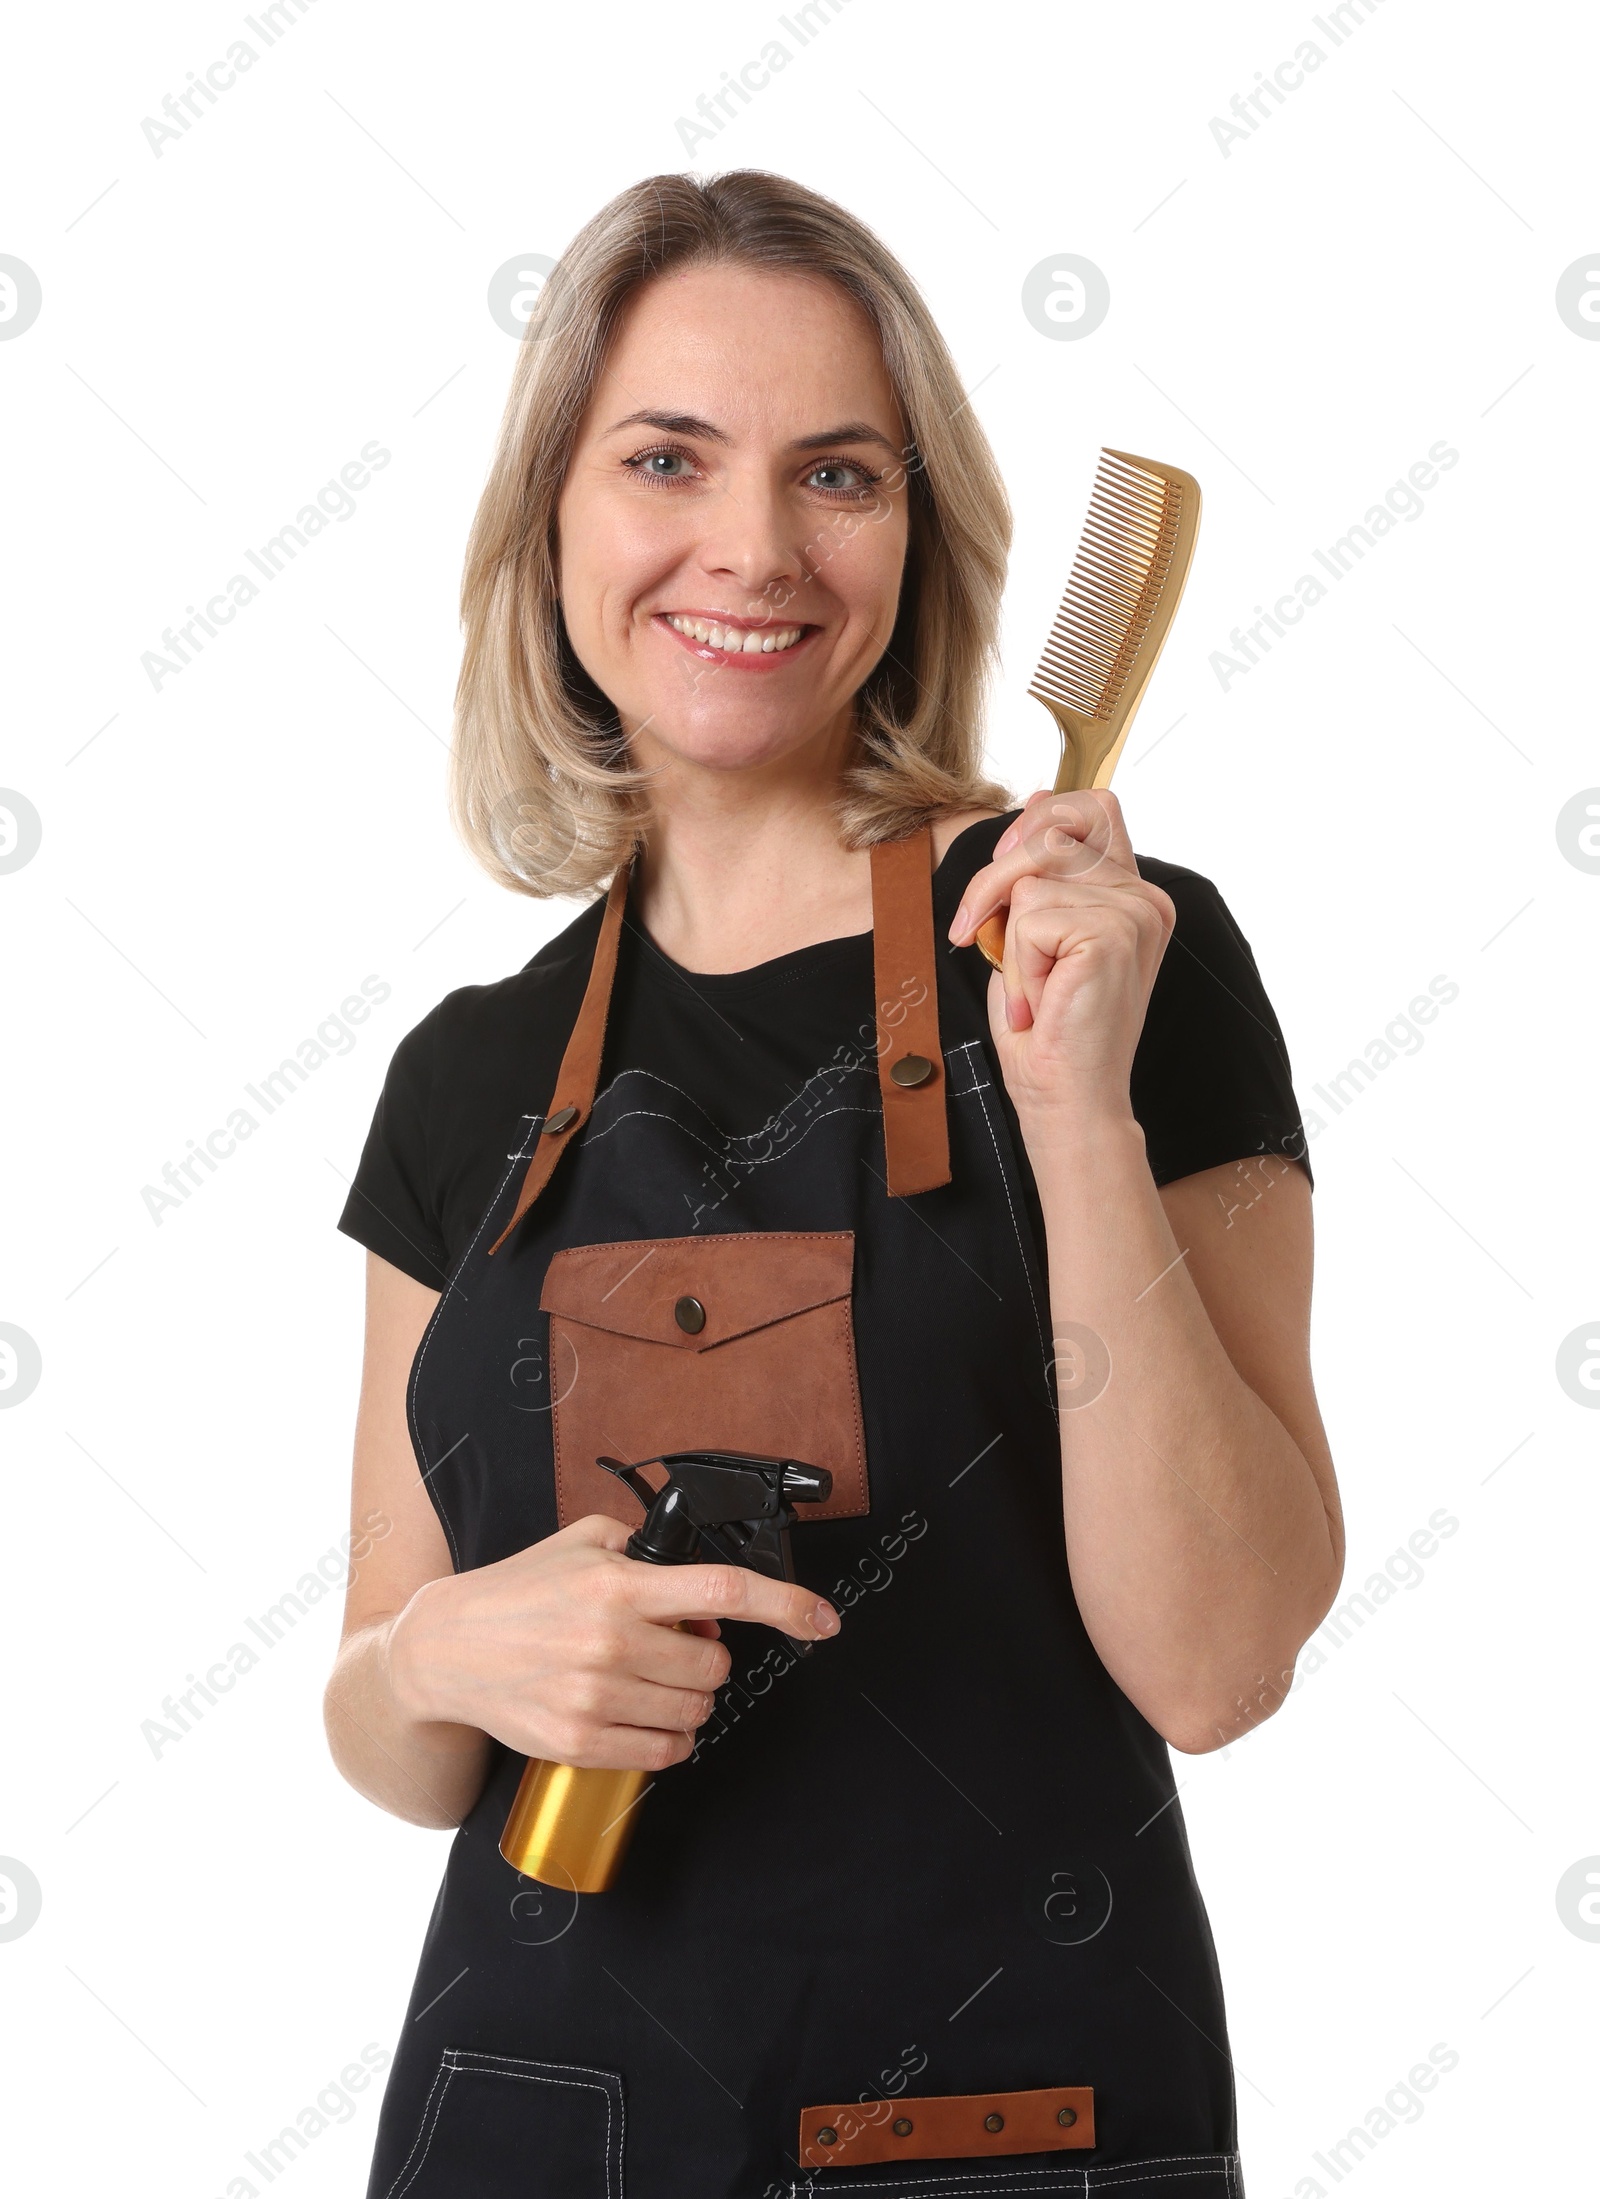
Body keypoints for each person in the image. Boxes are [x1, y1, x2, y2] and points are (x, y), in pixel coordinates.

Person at [324, 168, 1344, 2199]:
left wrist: (1068, 1107)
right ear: (553, 523)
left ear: (917, 535)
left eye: (838, 474)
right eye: (666, 459)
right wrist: (437, 1660)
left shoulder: (1116, 955)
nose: (750, 547)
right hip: (524, 2126)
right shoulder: (467, 1077)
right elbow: (389, 1708)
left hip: (996, 2134)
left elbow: (1217, 1662)